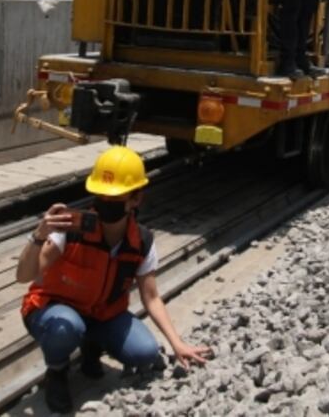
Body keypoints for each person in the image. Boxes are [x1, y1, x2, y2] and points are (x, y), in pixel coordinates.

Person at [16, 146, 210, 413]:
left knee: (145, 352)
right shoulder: (71, 229)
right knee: (67, 327)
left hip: (102, 314)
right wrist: (38, 236)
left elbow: (151, 297)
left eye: (115, 195)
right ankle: (57, 371)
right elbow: (23, 276)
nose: (106, 201)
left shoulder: (141, 241)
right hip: (52, 310)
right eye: (101, 195)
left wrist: (177, 343)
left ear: (135, 199)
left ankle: (91, 345)